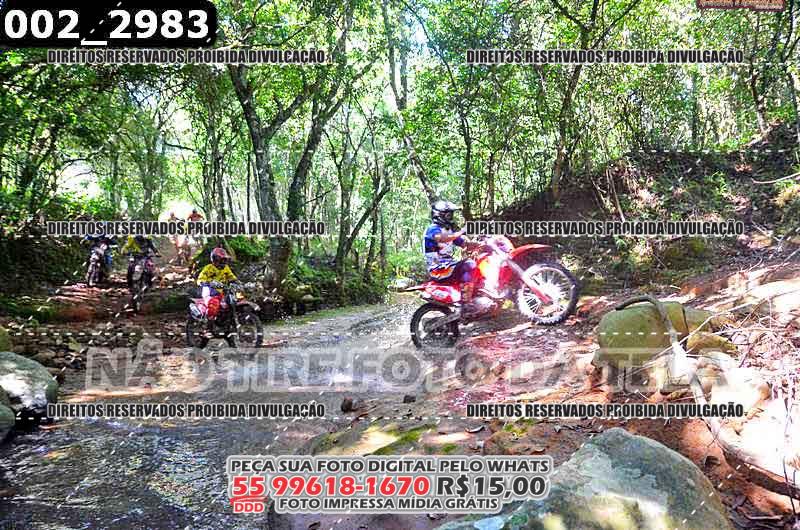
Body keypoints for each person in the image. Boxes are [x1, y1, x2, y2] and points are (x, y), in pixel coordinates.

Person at [423, 200, 477, 311]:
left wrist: (478, 243)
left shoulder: (447, 231)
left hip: (447, 265)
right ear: (440, 215)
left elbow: (463, 243)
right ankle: (466, 304)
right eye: (449, 215)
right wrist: (461, 231)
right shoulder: (433, 229)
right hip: (438, 268)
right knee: (469, 264)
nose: (451, 217)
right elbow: (442, 238)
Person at [196, 247, 238, 320]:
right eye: (222, 260)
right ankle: (208, 321)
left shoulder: (226, 268)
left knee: (230, 303)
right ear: (215, 260)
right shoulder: (209, 268)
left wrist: (236, 281)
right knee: (214, 304)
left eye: (225, 260)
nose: (223, 262)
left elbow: (231, 276)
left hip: (222, 292)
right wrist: (204, 282)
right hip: (210, 291)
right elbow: (201, 278)